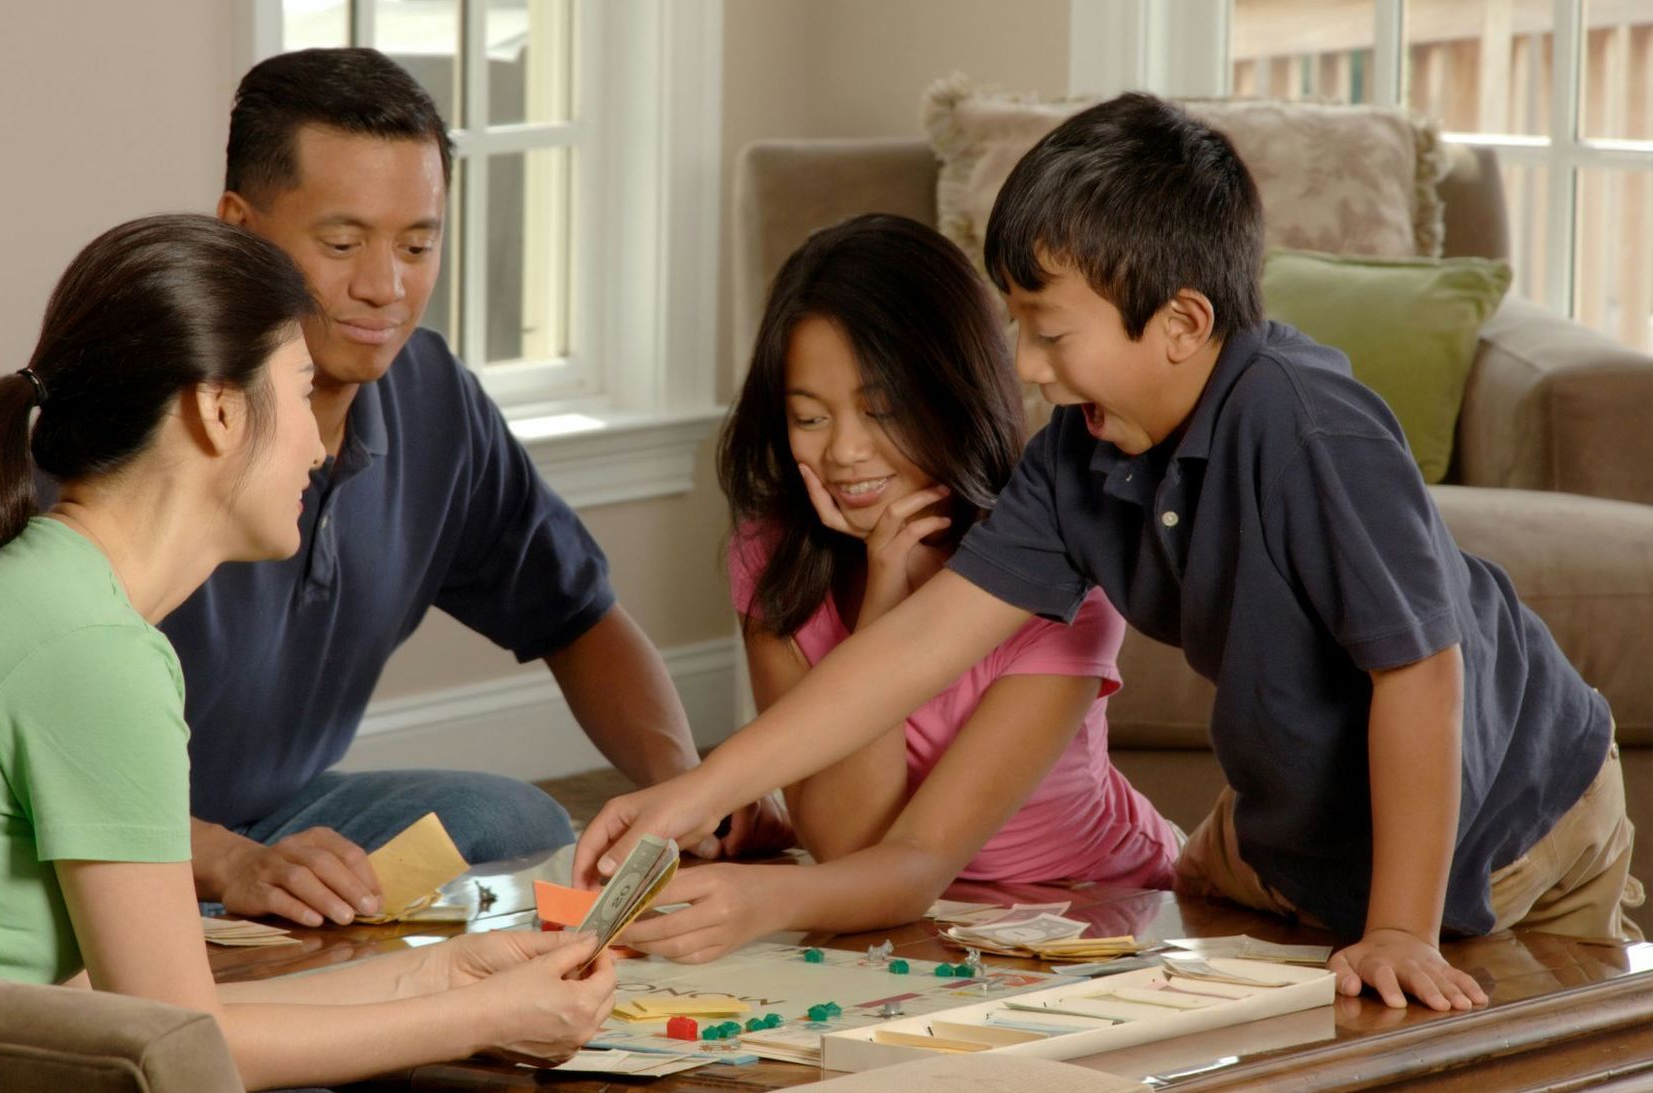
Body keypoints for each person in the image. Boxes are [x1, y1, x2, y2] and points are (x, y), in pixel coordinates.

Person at [577, 94, 1642, 1011]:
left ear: (1180, 323)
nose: (1029, 369)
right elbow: (907, 655)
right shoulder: (1075, 462)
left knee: (1489, 1034)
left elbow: (1420, 671)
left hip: (1509, 809)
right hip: (1299, 824)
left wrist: (1403, 925)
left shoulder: (1307, 423)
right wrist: (695, 792)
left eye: (1049, 331)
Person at [0, 214, 616, 1088]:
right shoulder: (90, 649)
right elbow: (182, 1052)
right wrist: (483, 1020)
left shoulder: (49, 593)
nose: (318, 442)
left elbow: (131, 1010)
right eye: (302, 390)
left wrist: (439, 976)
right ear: (219, 410)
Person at [170, 47, 789, 929]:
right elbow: (24, 758)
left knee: (514, 818)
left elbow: (577, 616)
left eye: (418, 244)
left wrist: (680, 788)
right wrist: (227, 860)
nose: (384, 286)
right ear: (239, 227)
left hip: (278, 811)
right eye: (342, 244)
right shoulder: (150, 415)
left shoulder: (431, 398)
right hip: (100, 837)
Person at [617, 214, 1179, 964]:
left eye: (881, 410)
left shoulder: (1061, 571)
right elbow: (848, 840)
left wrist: (764, 896)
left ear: (954, 391)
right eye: (810, 417)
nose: (845, 451)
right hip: (900, 920)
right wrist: (883, 592)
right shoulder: (776, 556)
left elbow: (914, 859)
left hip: (1090, 905)